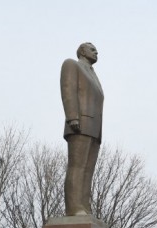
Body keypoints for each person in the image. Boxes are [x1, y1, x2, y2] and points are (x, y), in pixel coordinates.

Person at [60, 42, 104, 216]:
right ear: (82, 51)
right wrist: (72, 116)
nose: (96, 52)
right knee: (77, 167)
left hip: (95, 128)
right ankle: (74, 207)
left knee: (88, 170)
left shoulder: (94, 75)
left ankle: (84, 206)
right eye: (92, 49)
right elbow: (67, 89)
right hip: (80, 122)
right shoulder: (72, 64)